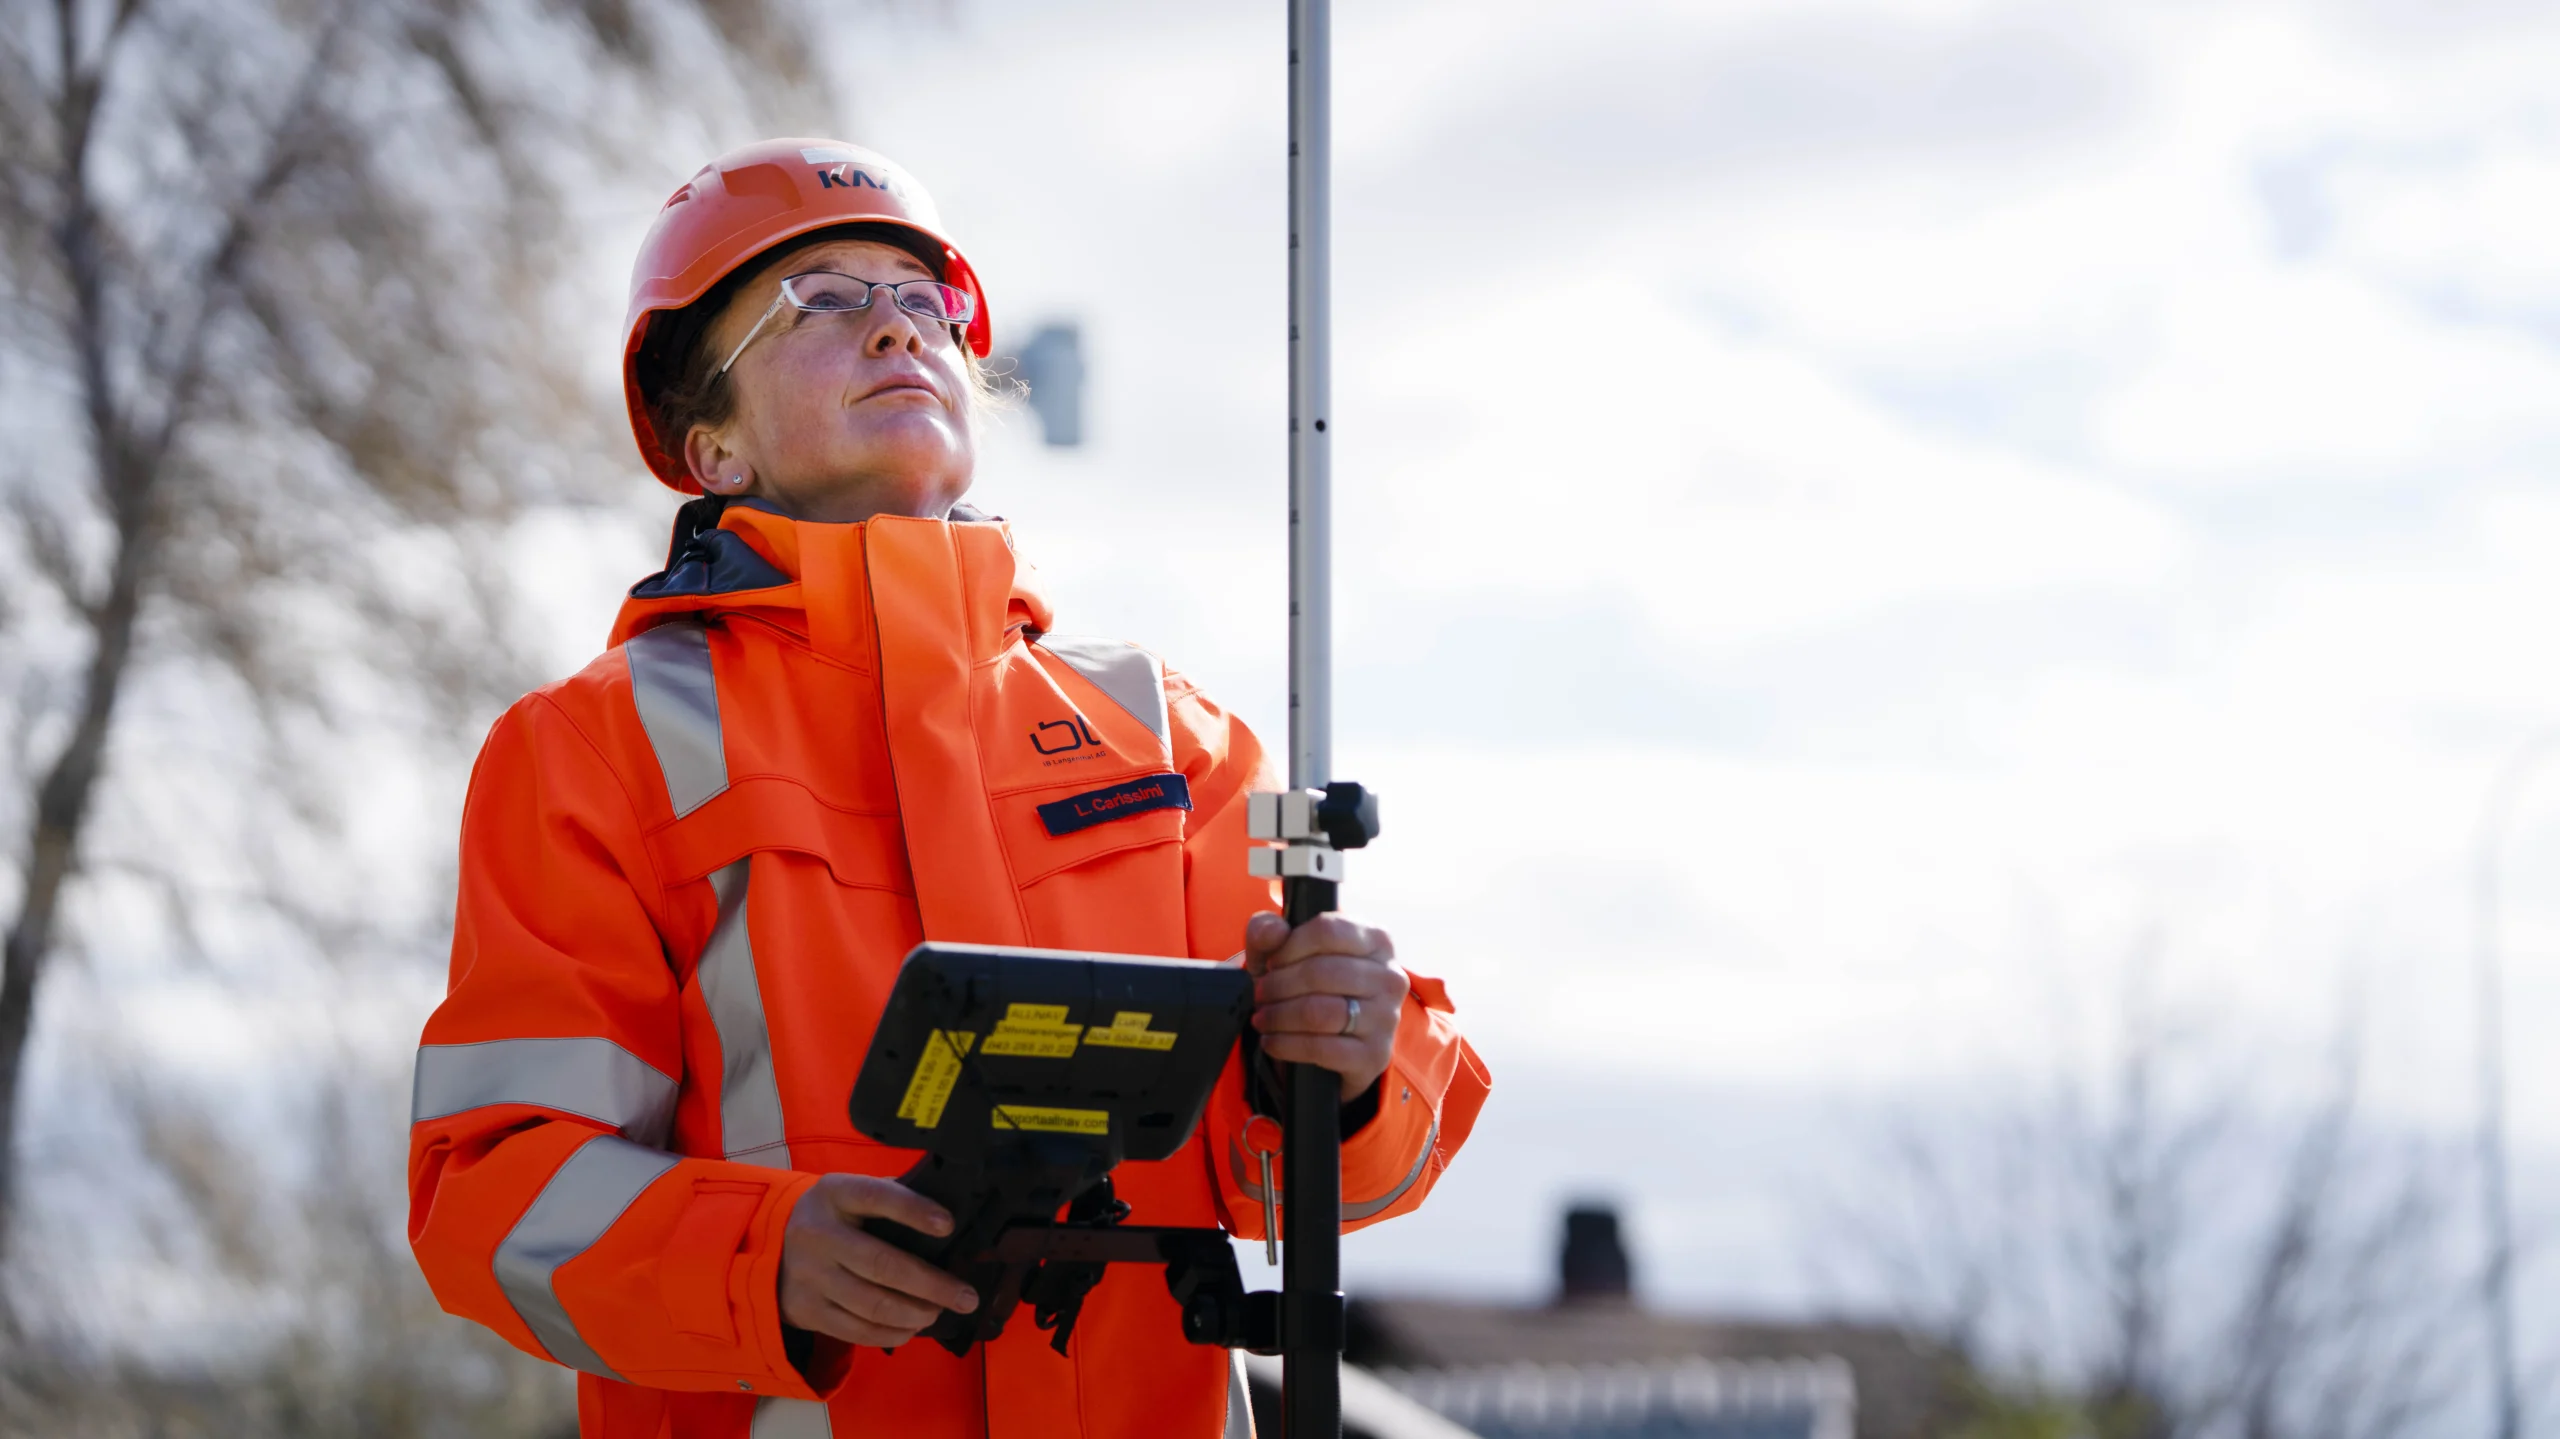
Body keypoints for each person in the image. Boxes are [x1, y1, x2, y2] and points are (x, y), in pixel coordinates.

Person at [405, 138, 1491, 1439]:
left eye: (922, 302)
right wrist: (763, 1256)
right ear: (712, 449)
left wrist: (1354, 1066)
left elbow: (1298, 1171)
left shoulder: (1164, 733)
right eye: (823, 300)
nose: (894, 330)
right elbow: (490, 1190)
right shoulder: (595, 748)